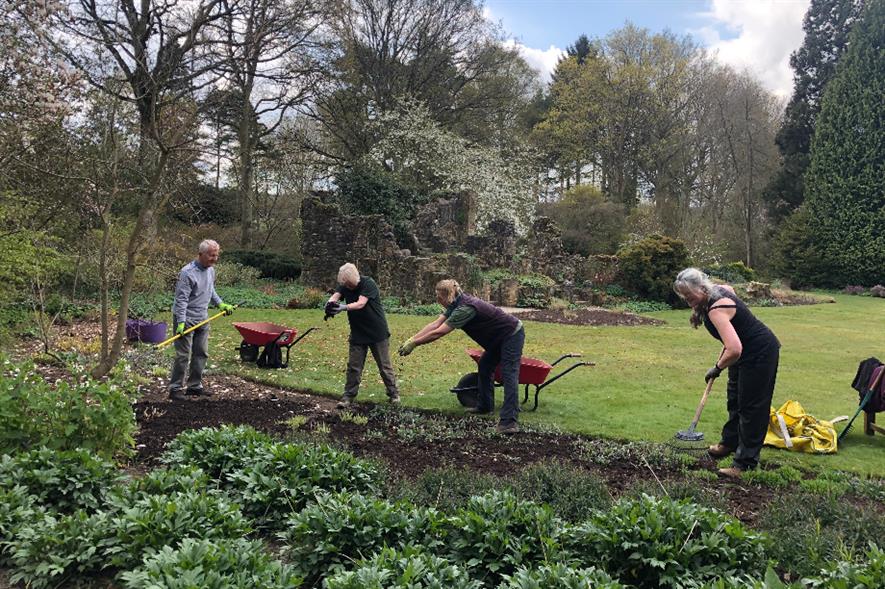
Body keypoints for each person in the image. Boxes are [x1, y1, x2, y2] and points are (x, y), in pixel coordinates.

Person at [673, 268, 780, 478]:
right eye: (685, 298)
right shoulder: (720, 290)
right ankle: (729, 443)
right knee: (735, 400)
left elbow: (734, 348)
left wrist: (717, 367)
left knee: (751, 407)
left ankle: (745, 464)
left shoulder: (716, 309)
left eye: (691, 296)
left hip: (759, 352)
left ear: (702, 288)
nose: (689, 301)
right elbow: (731, 299)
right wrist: (698, 310)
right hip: (743, 353)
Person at [398, 279, 525, 434]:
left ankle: (509, 422)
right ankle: (485, 406)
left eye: (438, 297)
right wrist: (412, 339)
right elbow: (434, 325)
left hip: (511, 334)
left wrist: (415, 344)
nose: (437, 300)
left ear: (446, 296)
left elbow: (440, 332)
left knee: (509, 373)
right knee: (485, 365)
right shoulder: (455, 304)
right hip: (497, 338)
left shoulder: (465, 308)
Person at [168, 239, 234, 401]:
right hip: (186, 318)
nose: (214, 259)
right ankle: (175, 389)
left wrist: (220, 304)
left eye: (216, 255)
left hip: (203, 318)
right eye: (211, 255)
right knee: (183, 355)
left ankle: (194, 386)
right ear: (201, 254)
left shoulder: (211, 270)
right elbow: (181, 299)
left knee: (201, 353)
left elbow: (210, 290)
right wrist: (181, 322)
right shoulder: (187, 273)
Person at [327, 263, 400, 408]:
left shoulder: (368, 284)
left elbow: (360, 304)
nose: (348, 287)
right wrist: (329, 305)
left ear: (355, 279)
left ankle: (394, 394)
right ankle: (348, 396)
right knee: (354, 366)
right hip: (358, 332)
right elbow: (335, 296)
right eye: (345, 285)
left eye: (349, 285)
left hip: (377, 332)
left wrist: (343, 307)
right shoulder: (345, 285)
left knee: (384, 366)